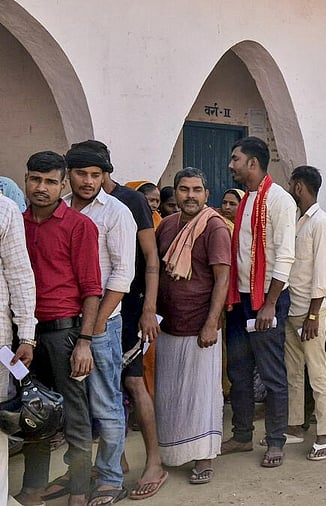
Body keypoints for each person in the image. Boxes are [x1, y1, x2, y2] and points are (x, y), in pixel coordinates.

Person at [89, 140, 164, 500]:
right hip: (93, 309)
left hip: (130, 306)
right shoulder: (79, 204)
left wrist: (149, 307)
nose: (88, 179)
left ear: (106, 171)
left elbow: (151, 259)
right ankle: (113, 460)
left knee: (133, 384)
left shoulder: (131, 201)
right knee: (101, 388)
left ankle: (154, 461)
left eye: (94, 172)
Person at [63, 141, 137, 504]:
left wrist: (92, 329)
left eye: (96, 175)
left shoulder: (116, 212)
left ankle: (110, 478)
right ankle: (75, 472)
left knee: (105, 402)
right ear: (68, 174)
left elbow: (122, 276)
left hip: (103, 324)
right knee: (71, 404)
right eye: (81, 174)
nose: (89, 181)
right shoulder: (57, 209)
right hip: (62, 323)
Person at [221, 137, 295, 468]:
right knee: (238, 371)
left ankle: (276, 441)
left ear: (252, 163)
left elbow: (285, 256)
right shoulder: (246, 199)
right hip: (240, 300)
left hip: (267, 300)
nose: (230, 165)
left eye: (235, 159)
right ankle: (241, 435)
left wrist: (269, 303)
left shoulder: (279, 200)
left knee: (271, 372)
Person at [155, 167, 230, 485]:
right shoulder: (168, 225)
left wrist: (211, 323)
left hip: (202, 327)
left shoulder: (214, 227)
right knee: (170, 395)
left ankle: (204, 458)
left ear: (206, 195)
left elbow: (222, 278)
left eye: (197, 190)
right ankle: (173, 453)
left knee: (201, 396)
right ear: (175, 194)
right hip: (169, 324)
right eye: (184, 190)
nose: (190, 196)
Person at [14, 153, 76, 506]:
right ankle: (33, 489)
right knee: (31, 412)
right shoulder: (14, 222)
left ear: (61, 185)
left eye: (50, 181)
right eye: (36, 179)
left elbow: (92, 288)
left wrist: (83, 341)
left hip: (63, 333)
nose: (42, 188)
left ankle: (80, 487)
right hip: (21, 336)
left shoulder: (77, 226)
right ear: (26, 179)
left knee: (76, 417)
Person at [281, 166, 326, 460]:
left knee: (317, 373)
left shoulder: (322, 223)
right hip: (292, 307)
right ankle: (295, 427)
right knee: (293, 371)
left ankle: (324, 434)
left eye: (291, 183)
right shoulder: (298, 220)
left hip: (310, 311)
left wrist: (314, 315)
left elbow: (322, 274)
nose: (289, 187)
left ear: (299, 186)